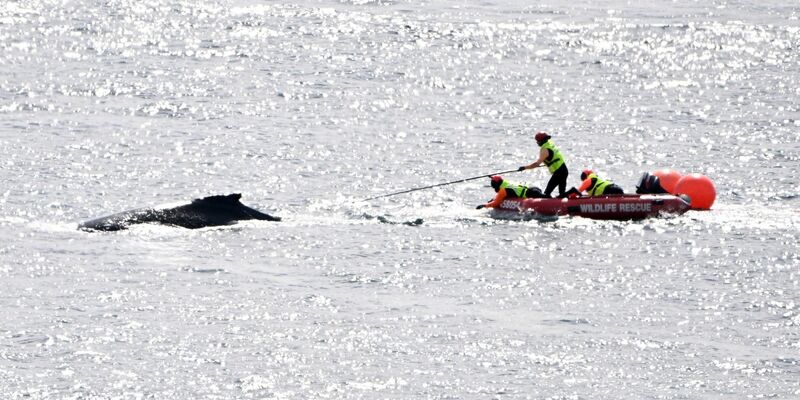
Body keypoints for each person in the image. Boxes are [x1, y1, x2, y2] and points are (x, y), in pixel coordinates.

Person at [518, 132, 569, 198]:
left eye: (537, 141)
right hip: (564, 170)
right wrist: (547, 163)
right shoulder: (550, 144)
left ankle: (573, 190)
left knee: (546, 193)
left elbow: (536, 164)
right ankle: (568, 198)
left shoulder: (544, 150)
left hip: (559, 172)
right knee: (562, 193)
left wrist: (524, 167)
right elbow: (552, 157)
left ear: (541, 141)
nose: (537, 143)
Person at [476, 175, 544, 209]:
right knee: (545, 195)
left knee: (546, 197)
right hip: (533, 189)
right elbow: (499, 179)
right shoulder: (506, 183)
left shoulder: (503, 190)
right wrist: (492, 177)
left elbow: (496, 203)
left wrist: (484, 205)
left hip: (531, 193)